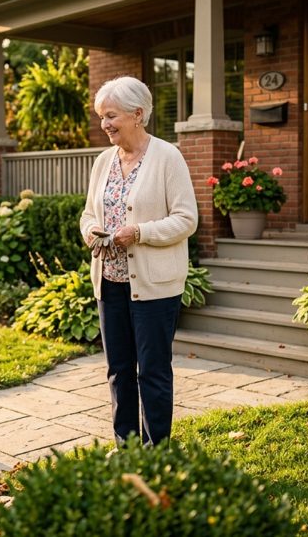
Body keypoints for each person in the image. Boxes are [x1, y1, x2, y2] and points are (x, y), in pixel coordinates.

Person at [80, 76, 197, 447]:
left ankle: (156, 449)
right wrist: (91, 230)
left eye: (111, 115)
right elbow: (87, 214)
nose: (105, 124)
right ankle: (127, 447)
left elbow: (186, 219)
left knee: (152, 371)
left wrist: (140, 233)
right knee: (118, 371)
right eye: (102, 117)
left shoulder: (167, 157)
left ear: (138, 114)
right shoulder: (103, 161)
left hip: (154, 287)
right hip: (110, 283)